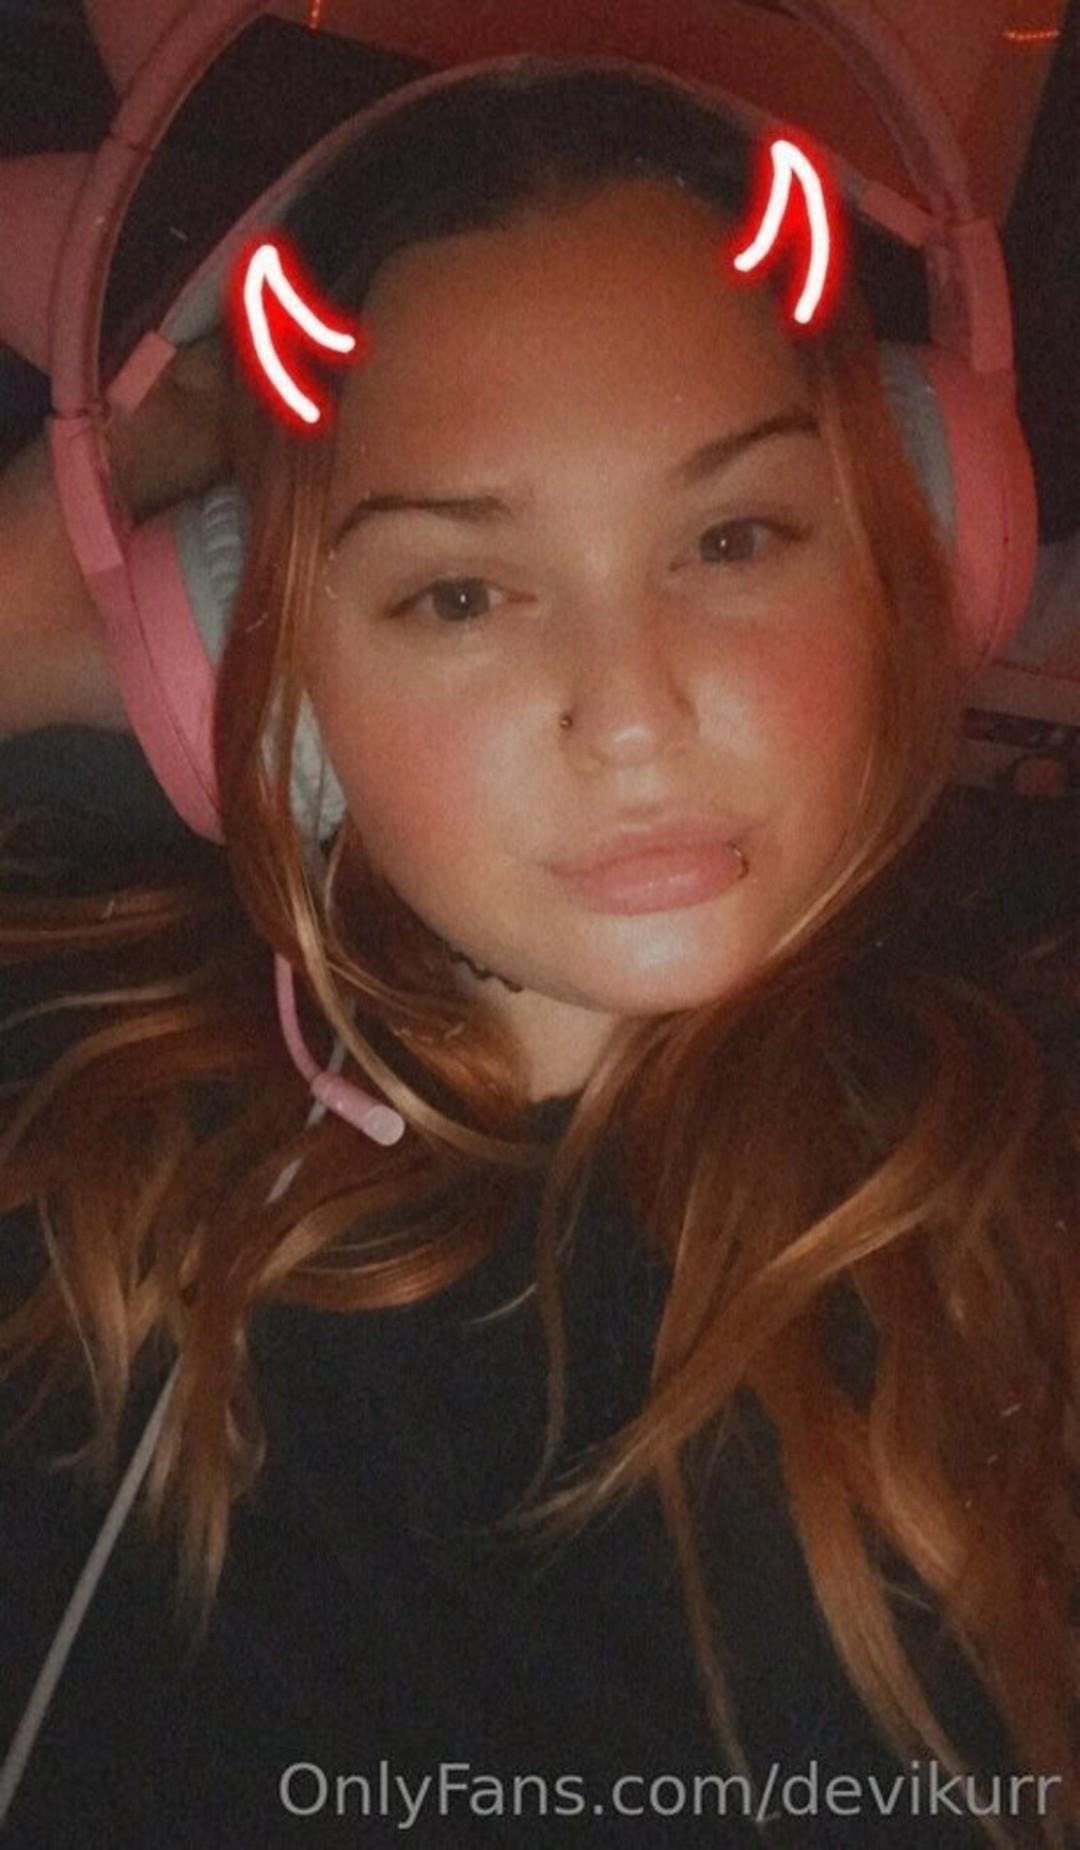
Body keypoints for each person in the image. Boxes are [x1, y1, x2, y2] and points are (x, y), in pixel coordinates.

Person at [0, 56, 1077, 1850]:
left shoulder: (1025, 1142)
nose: (633, 715)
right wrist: (50, 591)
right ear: (260, 665)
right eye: (460, 592)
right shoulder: (81, 1122)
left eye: (732, 538)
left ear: (911, 554)